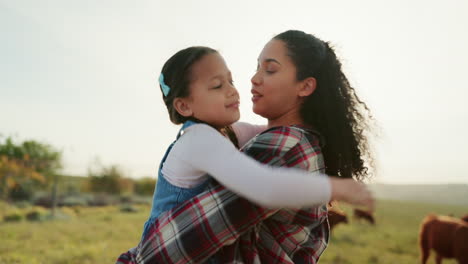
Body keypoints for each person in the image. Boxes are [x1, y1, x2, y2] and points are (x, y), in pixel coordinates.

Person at [117, 30, 375, 263]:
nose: (253, 79)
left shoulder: (285, 147)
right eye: (256, 68)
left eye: (270, 70)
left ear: (305, 86)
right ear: (184, 105)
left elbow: (159, 253)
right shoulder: (281, 139)